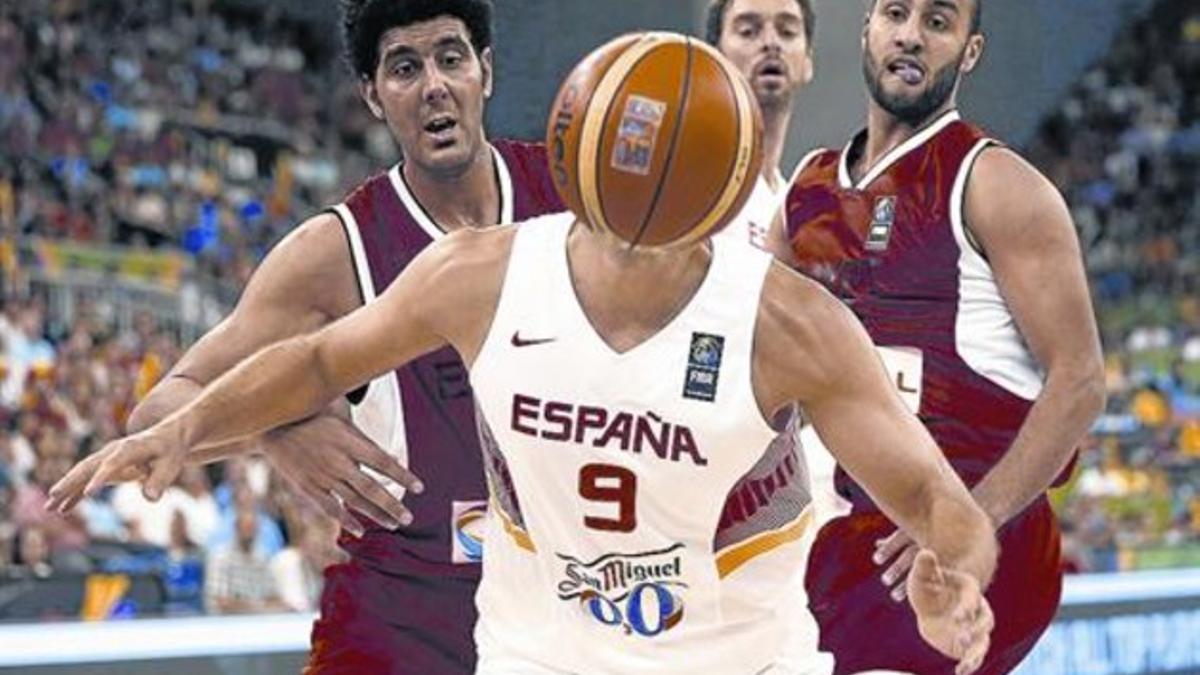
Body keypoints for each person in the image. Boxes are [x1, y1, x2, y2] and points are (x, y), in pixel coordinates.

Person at [49, 41, 1000, 671]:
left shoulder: (788, 326)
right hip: (533, 657)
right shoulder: (478, 274)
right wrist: (186, 426)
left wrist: (953, 571)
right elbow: (311, 363)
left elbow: (934, 499)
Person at [93, 0, 562, 672]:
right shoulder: (336, 251)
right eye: (404, 67)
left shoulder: (571, 200)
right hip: (404, 617)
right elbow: (162, 408)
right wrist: (277, 429)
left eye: (450, 58)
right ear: (373, 95)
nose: (433, 83)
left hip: (564, 605)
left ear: (484, 72)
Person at [778, 1, 1106, 673]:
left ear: (970, 50)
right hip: (844, 542)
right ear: (866, 27)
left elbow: (1080, 380)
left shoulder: (996, 183)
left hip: (978, 545)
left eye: (938, 20)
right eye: (896, 12)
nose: (911, 34)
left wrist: (969, 522)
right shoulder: (807, 184)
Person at [707, 0, 816, 249]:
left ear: (808, 60)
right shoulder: (689, 178)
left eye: (787, 32)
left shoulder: (794, 214)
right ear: (715, 56)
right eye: (748, 31)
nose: (771, 43)